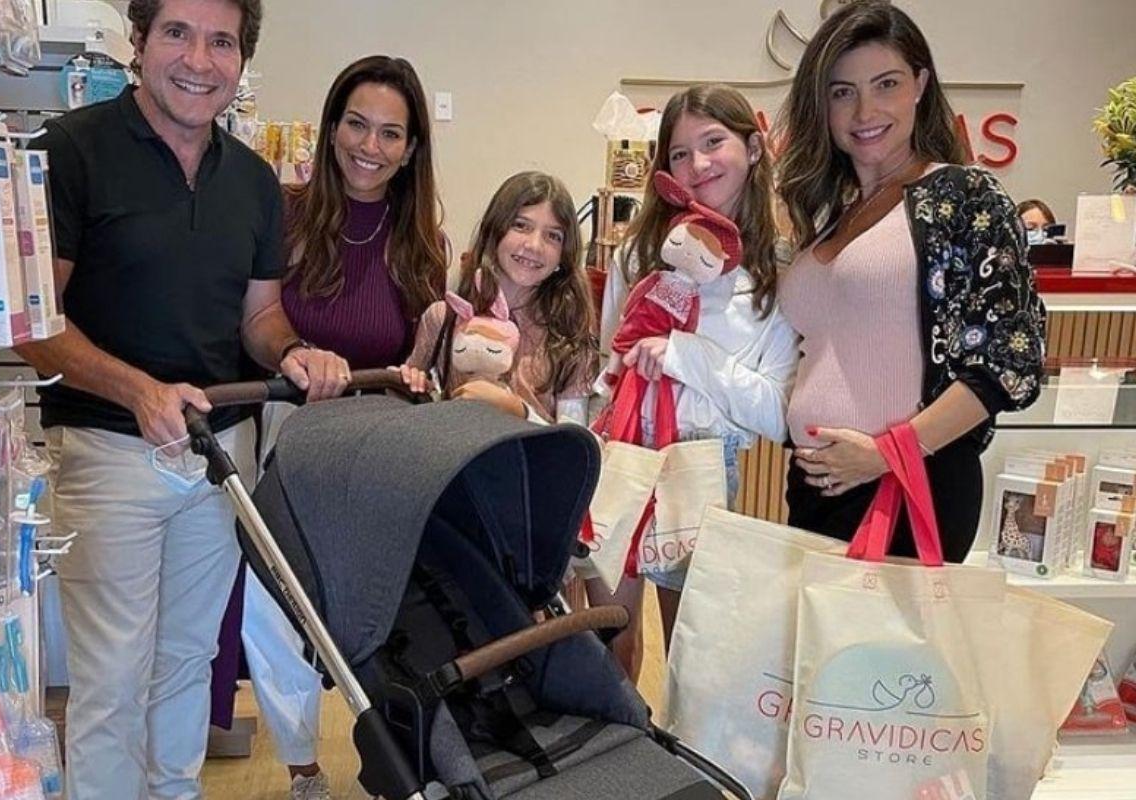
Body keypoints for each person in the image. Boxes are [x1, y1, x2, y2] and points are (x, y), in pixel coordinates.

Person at [14, 1, 350, 797]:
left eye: (221, 42)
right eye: (177, 33)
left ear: (242, 59)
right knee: (112, 677)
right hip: (107, 451)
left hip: (217, 454)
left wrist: (294, 353)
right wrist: (137, 390)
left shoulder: (256, 182)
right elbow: (35, 324)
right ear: (139, 42)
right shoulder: (70, 150)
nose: (199, 60)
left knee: (189, 661)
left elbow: (260, 317)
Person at [235, 54, 447, 800]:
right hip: (289, 438)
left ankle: (402, 755)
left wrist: (417, 373)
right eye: (357, 124)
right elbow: (253, 323)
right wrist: (299, 356)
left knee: (381, 608)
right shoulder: (285, 215)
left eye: (391, 133)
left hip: (377, 448)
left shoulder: (422, 242)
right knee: (272, 605)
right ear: (330, 129)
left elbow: (424, 358)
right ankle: (301, 766)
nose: (370, 146)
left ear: (411, 149)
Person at [776, 0, 1046, 563]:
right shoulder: (832, 212)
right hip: (819, 484)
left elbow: (1008, 363)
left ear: (920, 85)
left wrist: (887, 453)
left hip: (906, 484)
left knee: (891, 628)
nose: (864, 110)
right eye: (842, 91)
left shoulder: (964, 196)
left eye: (886, 84)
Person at [596, 84, 798, 680]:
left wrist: (685, 355)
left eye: (713, 143)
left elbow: (776, 413)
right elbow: (612, 361)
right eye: (679, 154)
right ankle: (618, 741)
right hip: (624, 449)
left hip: (704, 461)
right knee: (609, 638)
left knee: (691, 648)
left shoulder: (779, 271)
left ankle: (677, 742)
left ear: (753, 149)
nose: (697, 165)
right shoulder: (639, 255)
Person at [401, 170, 597, 427]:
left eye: (553, 236)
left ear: (564, 253)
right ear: (494, 231)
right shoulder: (443, 319)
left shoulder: (569, 334)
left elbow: (573, 439)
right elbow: (409, 405)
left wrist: (518, 410)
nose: (534, 245)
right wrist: (409, 382)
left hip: (534, 453)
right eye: (521, 226)